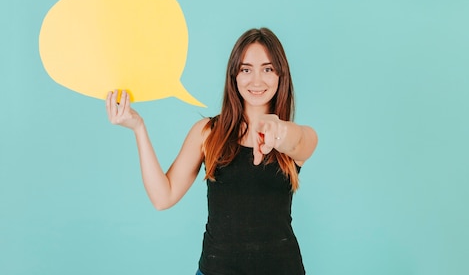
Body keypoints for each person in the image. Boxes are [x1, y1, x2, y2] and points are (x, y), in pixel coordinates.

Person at [106, 28, 318, 274]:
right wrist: (138, 128)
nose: (256, 80)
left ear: (281, 75)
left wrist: (277, 131)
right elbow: (163, 197)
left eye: (268, 69)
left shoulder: (298, 137)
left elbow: (299, 139)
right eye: (246, 69)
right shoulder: (207, 132)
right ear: (234, 76)